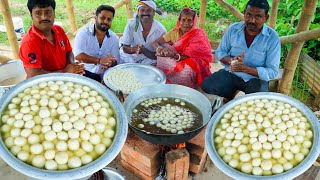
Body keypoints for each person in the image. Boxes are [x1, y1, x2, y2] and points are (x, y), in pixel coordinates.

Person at [201, 0, 280, 101]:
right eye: (248, 15)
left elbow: (272, 71)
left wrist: (245, 69)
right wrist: (232, 62)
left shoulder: (272, 37)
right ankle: (230, 93)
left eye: (258, 17)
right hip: (232, 73)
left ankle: (237, 95)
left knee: (258, 101)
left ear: (266, 18)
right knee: (207, 85)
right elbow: (220, 52)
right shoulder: (233, 29)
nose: (252, 20)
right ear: (244, 13)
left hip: (256, 79)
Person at [19, 0, 85, 78]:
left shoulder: (59, 30)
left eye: (48, 12)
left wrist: (72, 65)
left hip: (66, 76)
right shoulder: (29, 42)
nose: (44, 17)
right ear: (31, 15)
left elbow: (69, 52)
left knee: (94, 78)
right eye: (38, 13)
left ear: (54, 13)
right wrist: (65, 72)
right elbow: (34, 74)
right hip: (44, 85)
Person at [152, 8, 212, 88]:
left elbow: (190, 56)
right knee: (163, 47)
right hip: (176, 58)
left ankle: (185, 87)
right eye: (183, 20)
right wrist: (160, 49)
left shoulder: (198, 34)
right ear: (179, 21)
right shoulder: (174, 32)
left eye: (189, 20)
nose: (186, 23)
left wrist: (173, 56)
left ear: (194, 21)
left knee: (186, 73)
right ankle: (168, 78)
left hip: (191, 61)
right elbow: (155, 43)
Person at [73, 5, 120, 82]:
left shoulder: (114, 38)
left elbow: (116, 61)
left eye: (109, 19)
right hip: (84, 70)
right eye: (102, 18)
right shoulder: (83, 33)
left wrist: (110, 62)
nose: (105, 21)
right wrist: (99, 60)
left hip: (104, 73)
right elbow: (78, 55)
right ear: (95, 18)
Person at [119, 0, 166, 65]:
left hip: (149, 59)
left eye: (149, 10)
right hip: (130, 57)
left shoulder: (160, 30)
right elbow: (125, 48)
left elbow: (159, 56)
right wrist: (134, 50)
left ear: (154, 12)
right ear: (138, 12)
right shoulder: (131, 24)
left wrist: (145, 51)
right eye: (142, 10)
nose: (145, 13)